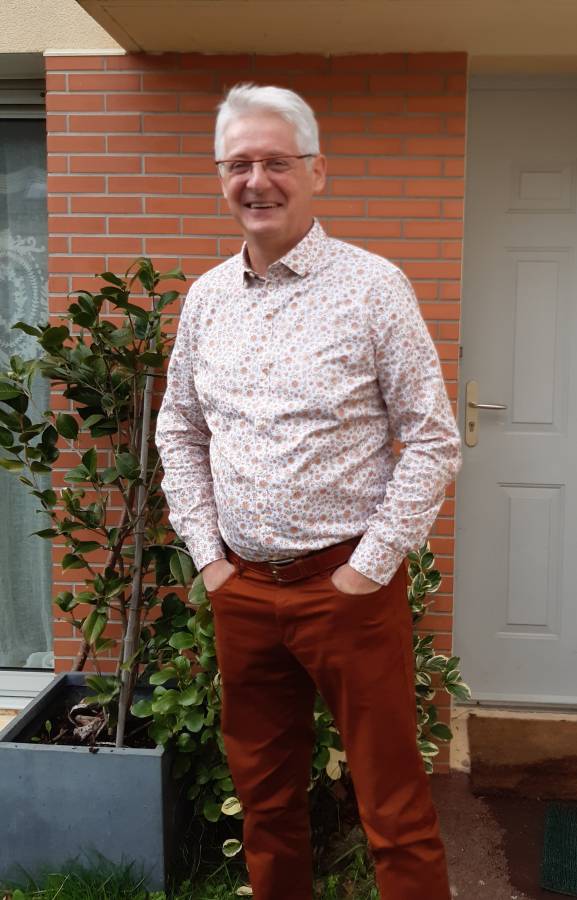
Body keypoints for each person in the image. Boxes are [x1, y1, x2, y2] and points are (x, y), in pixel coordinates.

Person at [156, 82, 461, 900]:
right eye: (238, 164)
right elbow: (179, 429)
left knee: (392, 804)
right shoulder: (206, 299)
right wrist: (208, 558)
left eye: (276, 161)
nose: (256, 180)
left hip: (346, 591)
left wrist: (368, 567)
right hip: (243, 591)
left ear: (316, 170)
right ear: (221, 176)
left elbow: (432, 436)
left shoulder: (372, 286)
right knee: (264, 802)